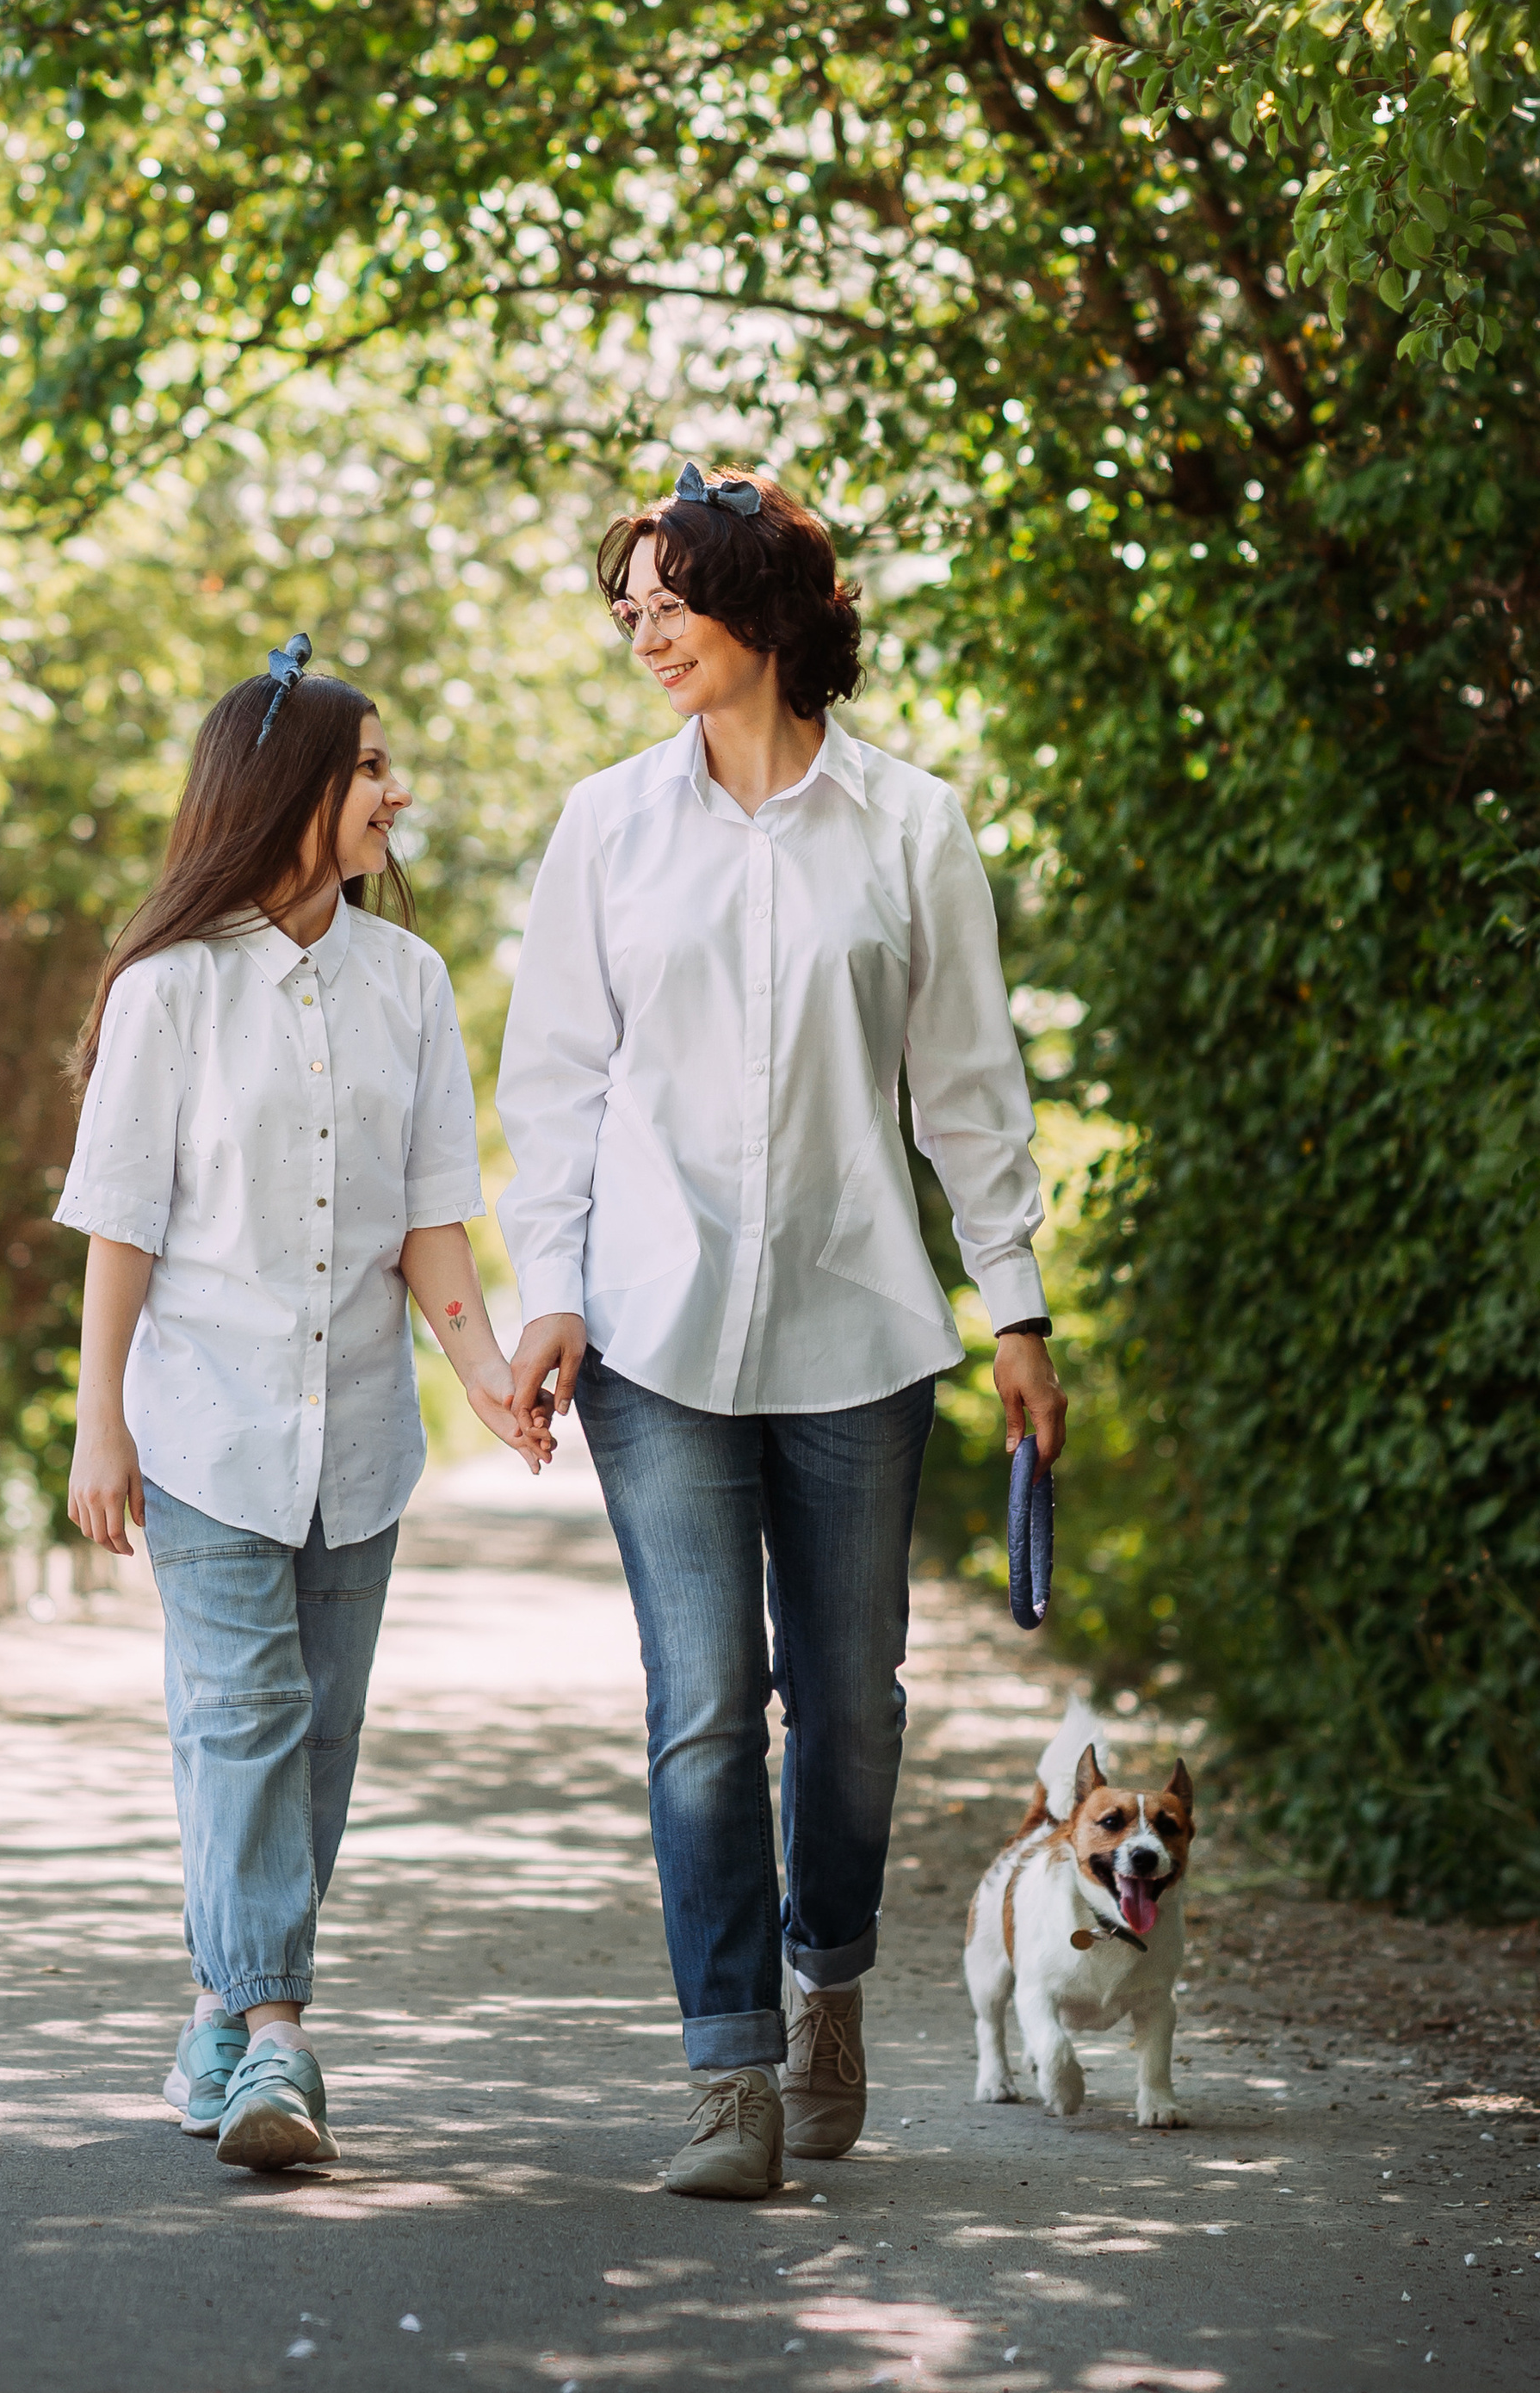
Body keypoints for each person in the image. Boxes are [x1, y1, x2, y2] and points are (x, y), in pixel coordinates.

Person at [498, 465, 1068, 2200]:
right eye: (629, 609)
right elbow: (554, 1086)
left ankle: (830, 1983)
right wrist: (547, 1288)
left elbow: (968, 1094)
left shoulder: (907, 826)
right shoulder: (604, 826)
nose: (643, 629)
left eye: (671, 596)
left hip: (856, 1329)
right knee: (697, 1711)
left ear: (768, 607)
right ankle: (727, 2075)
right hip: (652, 1339)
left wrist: (1018, 1303)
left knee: (851, 1707)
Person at [60, 635, 550, 2176]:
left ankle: (218, 2001)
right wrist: (98, 1422)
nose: (398, 794)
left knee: (313, 1737)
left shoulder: (408, 982)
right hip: (201, 1418)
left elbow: (428, 1222)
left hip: (358, 1435)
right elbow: (122, 1216)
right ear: (291, 794)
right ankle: (278, 2038)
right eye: (371, 771)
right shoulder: (169, 988)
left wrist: (483, 1378)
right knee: (246, 1716)